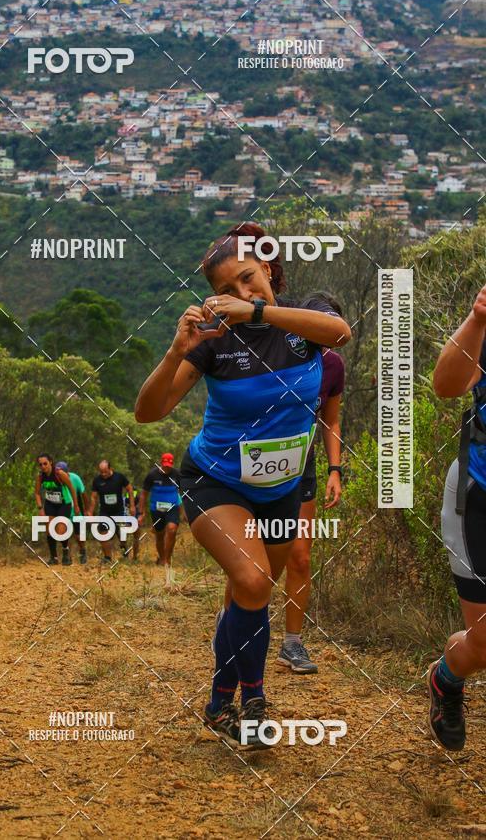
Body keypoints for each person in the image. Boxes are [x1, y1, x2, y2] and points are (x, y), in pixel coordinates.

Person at [134, 221, 351, 749]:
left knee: (247, 594)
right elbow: (148, 412)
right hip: (215, 479)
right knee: (253, 583)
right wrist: (176, 351)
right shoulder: (214, 342)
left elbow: (340, 333)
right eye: (226, 289)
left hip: (280, 488)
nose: (241, 293)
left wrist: (257, 312)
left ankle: (218, 701)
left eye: (249, 278)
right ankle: (254, 704)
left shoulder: (301, 323)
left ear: (269, 269)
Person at [428, 284, 486, 751]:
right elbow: (445, 385)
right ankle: (445, 679)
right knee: (484, 644)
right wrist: (478, 319)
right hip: (478, 495)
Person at [276, 291, 345, 674]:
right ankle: (233, 628)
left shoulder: (333, 365)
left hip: (302, 464)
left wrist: (335, 470)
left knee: (300, 557)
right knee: (253, 558)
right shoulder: (278, 352)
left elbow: (330, 421)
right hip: (257, 463)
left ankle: (292, 643)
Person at [35, 454, 79, 566]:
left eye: (45, 463)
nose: (43, 466)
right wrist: (40, 508)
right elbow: (37, 493)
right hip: (50, 504)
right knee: (49, 530)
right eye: (40, 464)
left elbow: (72, 489)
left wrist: (76, 505)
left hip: (64, 504)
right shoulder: (40, 476)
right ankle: (53, 557)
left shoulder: (59, 473)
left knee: (60, 532)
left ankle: (66, 552)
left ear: (50, 462)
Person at [140, 453, 181, 568]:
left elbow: (183, 492)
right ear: (161, 463)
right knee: (160, 534)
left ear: (172, 464)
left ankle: (167, 559)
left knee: (172, 530)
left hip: (172, 508)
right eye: (164, 465)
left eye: (168, 466)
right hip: (156, 509)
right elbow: (144, 494)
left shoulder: (177, 474)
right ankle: (162, 558)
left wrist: (185, 510)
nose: (166, 468)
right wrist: (142, 512)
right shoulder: (152, 475)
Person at [89, 460, 135, 562]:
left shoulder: (119, 477)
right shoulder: (97, 481)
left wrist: (132, 506)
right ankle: (107, 557)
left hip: (119, 510)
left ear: (110, 469)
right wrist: (90, 512)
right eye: (101, 472)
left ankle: (124, 547)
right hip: (105, 511)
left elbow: (130, 489)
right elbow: (93, 497)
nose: (103, 474)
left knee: (122, 534)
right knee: (103, 532)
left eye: (105, 471)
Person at [57, 461, 89, 564]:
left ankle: (83, 551)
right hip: (63, 510)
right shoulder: (55, 480)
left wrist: (87, 510)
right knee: (64, 534)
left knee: (79, 535)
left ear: (67, 473)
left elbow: (83, 494)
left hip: (76, 511)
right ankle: (67, 555)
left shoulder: (75, 478)